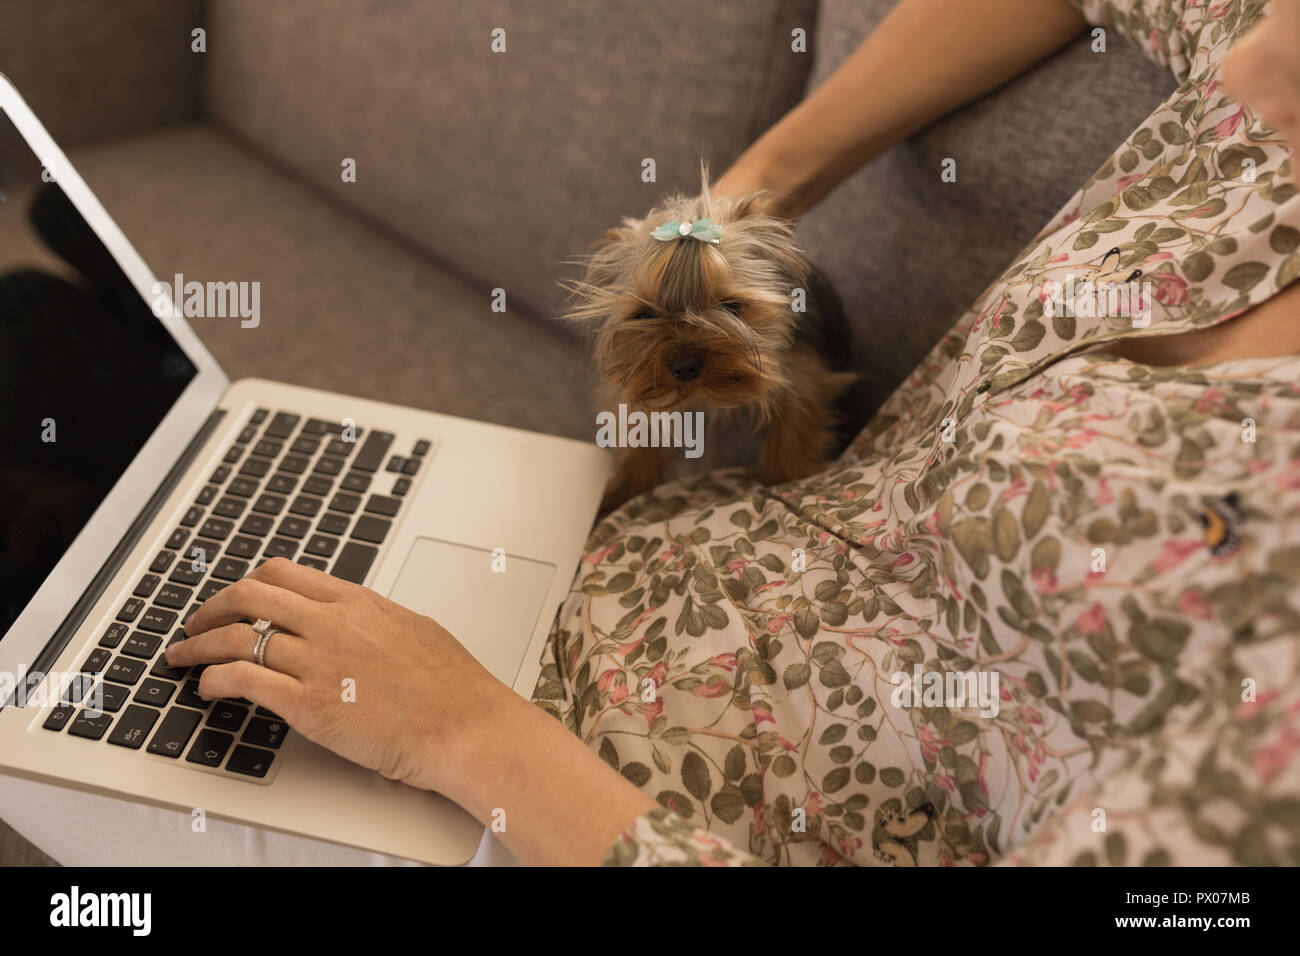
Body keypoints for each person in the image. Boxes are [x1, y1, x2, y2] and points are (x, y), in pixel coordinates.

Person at [5, 0, 1298, 866]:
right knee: (46, 364)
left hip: (550, 792)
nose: (1247, 56)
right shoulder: (1266, 112)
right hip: (605, 573)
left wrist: (464, 733)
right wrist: (757, 187)